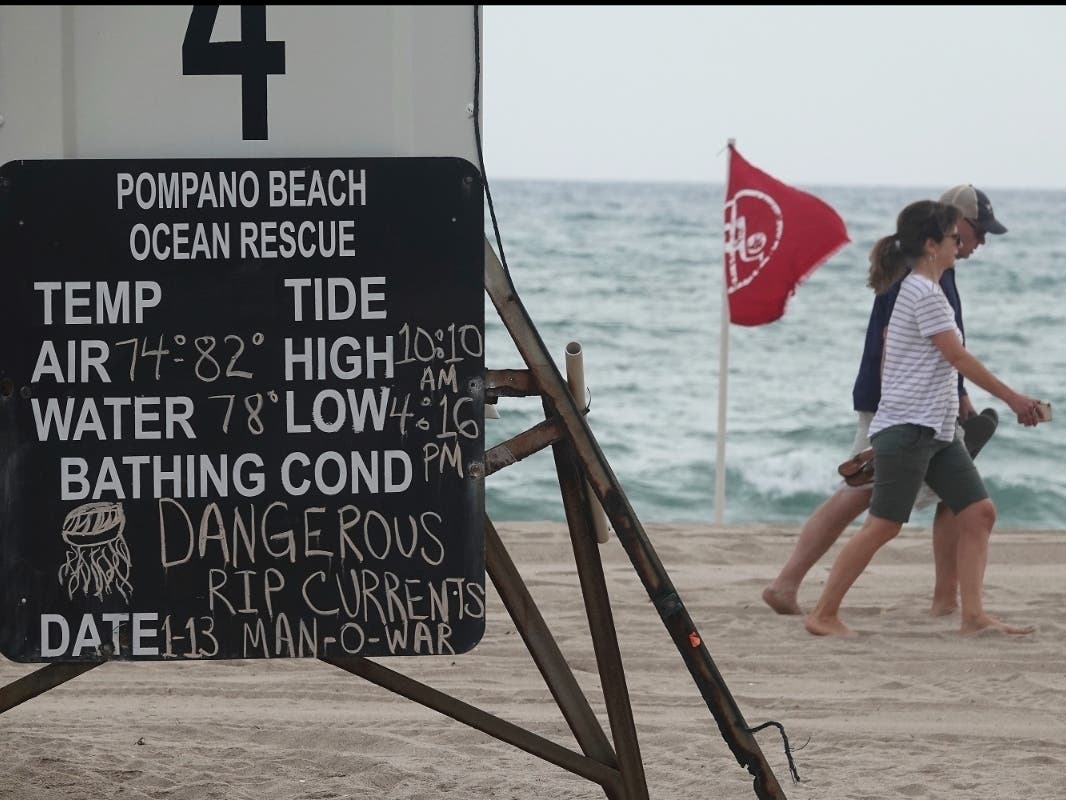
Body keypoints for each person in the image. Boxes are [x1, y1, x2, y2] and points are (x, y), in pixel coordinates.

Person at [762, 185, 1008, 617]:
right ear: (954, 224)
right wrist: (900, 410)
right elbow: (894, 347)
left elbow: (939, 349)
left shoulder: (936, 271)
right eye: (976, 230)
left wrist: (960, 393)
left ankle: (947, 600)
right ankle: (792, 587)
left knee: (956, 497)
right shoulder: (917, 278)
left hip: (920, 408)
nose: (980, 241)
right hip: (900, 408)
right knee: (864, 496)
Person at [803, 200, 1040, 637]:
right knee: (884, 525)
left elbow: (902, 356)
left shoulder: (920, 290)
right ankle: (823, 614)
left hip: (937, 429)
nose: (959, 245)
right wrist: (1013, 398)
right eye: (953, 238)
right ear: (932, 245)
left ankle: (972, 616)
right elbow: (958, 357)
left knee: (979, 512)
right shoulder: (923, 293)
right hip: (911, 431)